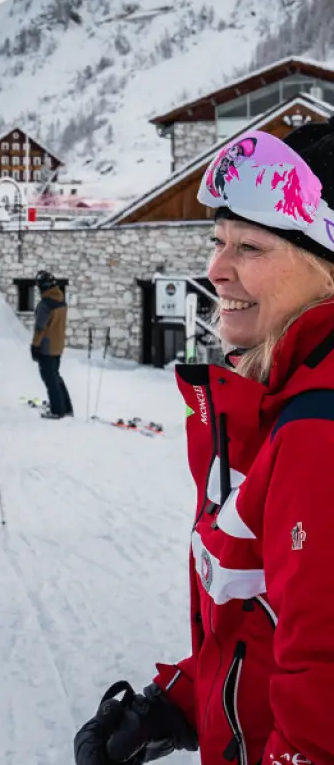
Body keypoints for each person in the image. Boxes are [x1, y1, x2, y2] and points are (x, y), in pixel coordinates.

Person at [74, 119, 334, 765]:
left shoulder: (318, 432)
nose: (216, 269)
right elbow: (268, 624)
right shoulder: (283, 403)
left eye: (250, 247)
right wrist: (183, 703)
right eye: (218, 241)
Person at [31, 270, 72, 419]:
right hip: (58, 345)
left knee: (49, 378)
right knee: (55, 376)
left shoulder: (45, 305)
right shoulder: (61, 301)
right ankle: (66, 406)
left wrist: (35, 346)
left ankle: (57, 409)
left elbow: (40, 328)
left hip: (46, 346)